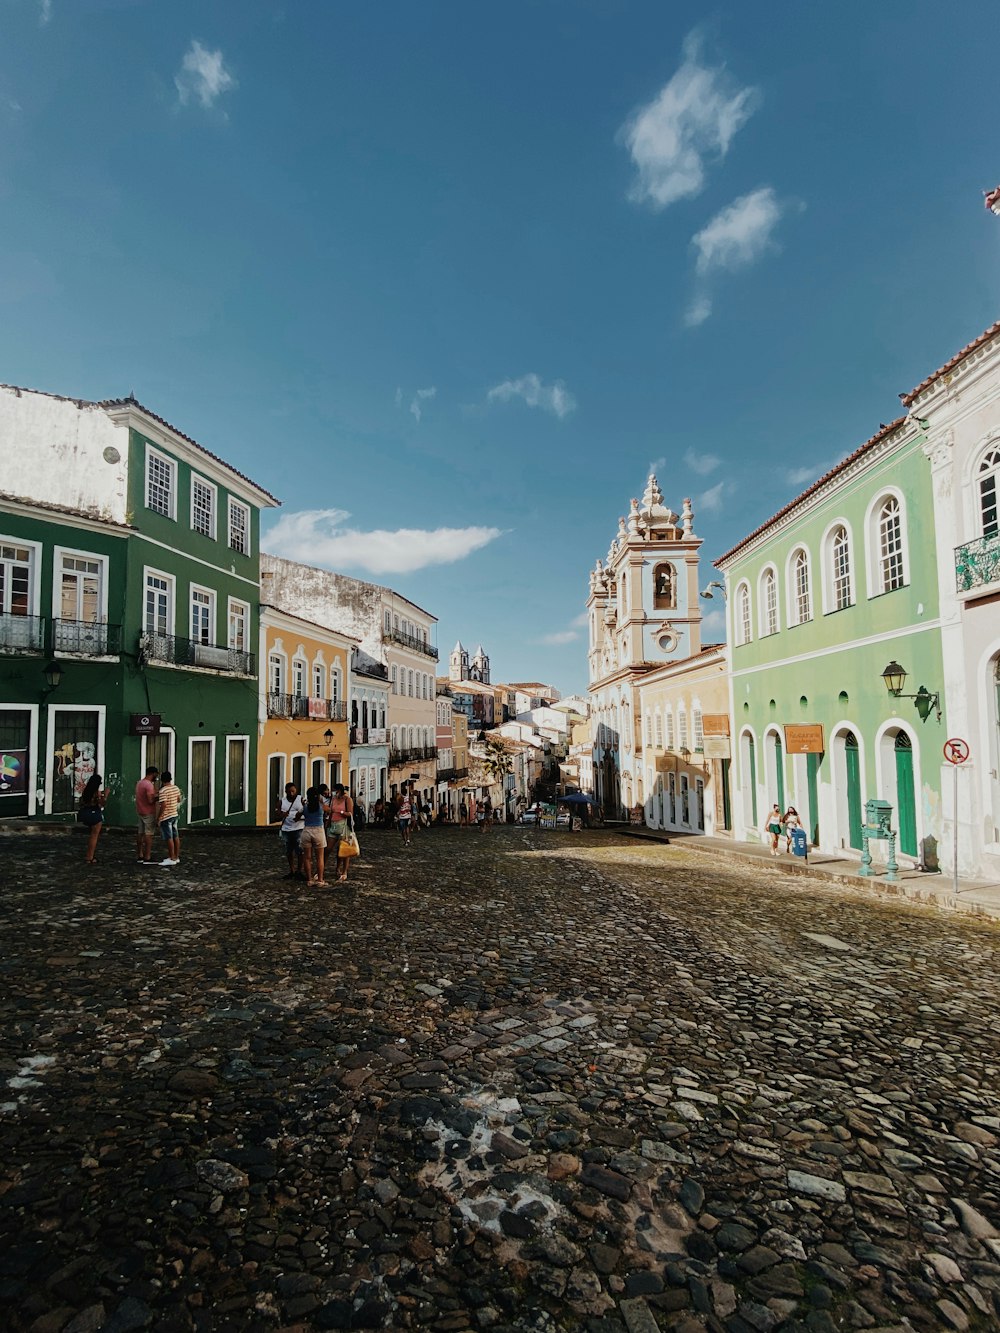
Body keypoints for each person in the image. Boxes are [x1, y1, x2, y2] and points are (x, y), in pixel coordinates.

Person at [277, 781, 305, 880]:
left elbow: (305, 810)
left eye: (293, 791)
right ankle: (292, 870)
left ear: (296, 790)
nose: (291, 793)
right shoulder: (282, 801)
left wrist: (301, 817)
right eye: (289, 792)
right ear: (286, 791)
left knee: (300, 850)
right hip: (286, 829)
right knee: (289, 851)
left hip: (299, 828)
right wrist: (282, 815)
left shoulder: (300, 799)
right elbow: (278, 813)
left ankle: (299, 871)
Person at [301, 787, 329, 887]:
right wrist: (321, 800)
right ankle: (320, 880)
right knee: (319, 858)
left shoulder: (305, 807)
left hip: (307, 830)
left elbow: (297, 815)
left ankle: (309, 879)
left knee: (307, 858)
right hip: (318, 831)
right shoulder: (321, 807)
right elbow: (330, 810)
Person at [328, 782, 355, 883]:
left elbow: (350, 813)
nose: (333, 793)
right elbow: (331, 812)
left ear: (339, 791)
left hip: (344, 827)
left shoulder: (347, 799)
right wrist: (327, 824)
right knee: (328, 849)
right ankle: (336, 868)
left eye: (335, 791)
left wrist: (342, 813)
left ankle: (344, 872)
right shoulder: (334, 799)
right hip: (333, 826)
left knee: (344, 850)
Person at [157, 771, 183, 866]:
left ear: (162, 780)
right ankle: (176, 856)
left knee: (169, 837)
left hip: (166, 816)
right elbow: (179, 799)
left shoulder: (163, 791)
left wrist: (159, 817)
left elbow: (163, 805)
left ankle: (171, 857)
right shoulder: (175, 788)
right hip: (174, 814)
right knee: (176, 836)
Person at [78, 773, 105, 864]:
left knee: (91, 835)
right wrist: (106, 795)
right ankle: (90, 856)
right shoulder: (96, 793)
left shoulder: (86, 791)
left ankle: (89, 855)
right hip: (94, 814)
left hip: (85, 813)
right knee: (94, 836)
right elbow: (102, 803)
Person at [135, 765, 159, 863]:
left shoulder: (139, 783)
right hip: (148, 812)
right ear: (153, 774)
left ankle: (140, 854)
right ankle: (147, 856)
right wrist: (158, 797)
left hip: (140, 811)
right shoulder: (149, 785)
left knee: (140, 833)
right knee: (149, 834)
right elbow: (150, 800)